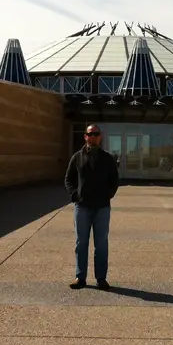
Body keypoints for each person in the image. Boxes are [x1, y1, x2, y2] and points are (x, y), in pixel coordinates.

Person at [64, 124, 120, 290]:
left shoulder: (107, 158)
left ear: (100, 137)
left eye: (96, 134)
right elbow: (69, 178)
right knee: (81, 243)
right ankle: (80, 277)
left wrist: (108, 195)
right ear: (85, 136)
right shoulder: (77, 157)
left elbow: (114, 180)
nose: (93, 136)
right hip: (82, 207)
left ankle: (101, 279)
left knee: (101, 244)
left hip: (102, 207)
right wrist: (75, 195)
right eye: (90, 134)